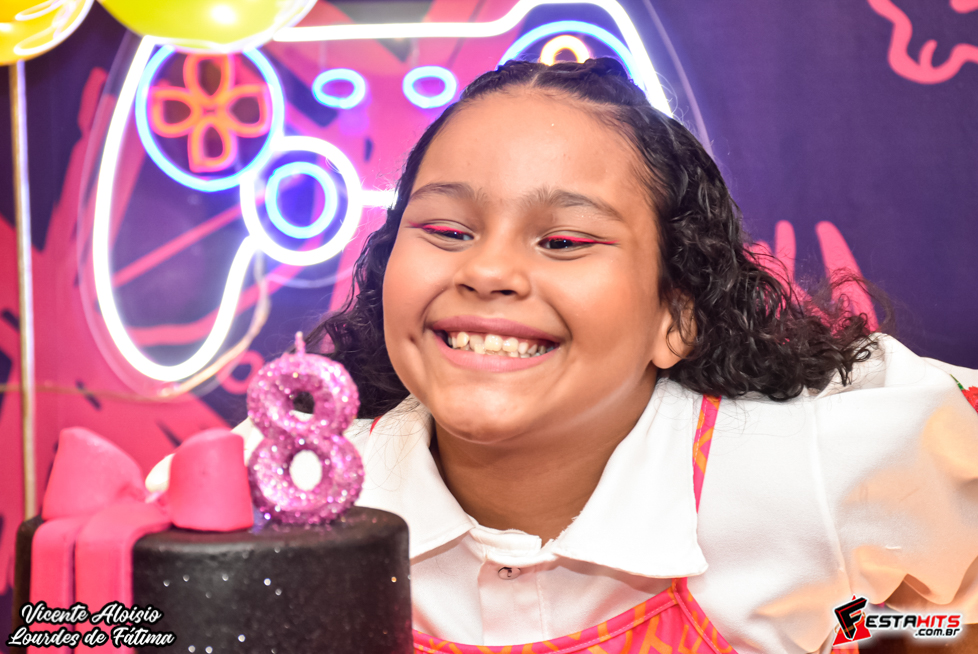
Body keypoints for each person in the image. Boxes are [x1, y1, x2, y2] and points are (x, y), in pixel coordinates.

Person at [150, 57, 978, 653]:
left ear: (676, 317)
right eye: (447, 230)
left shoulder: (811, 466)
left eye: (564, 240)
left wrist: (887, 632)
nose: (488, 271)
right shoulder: (277, 489)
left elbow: (940, 613)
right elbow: (97, 622)